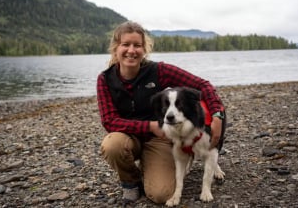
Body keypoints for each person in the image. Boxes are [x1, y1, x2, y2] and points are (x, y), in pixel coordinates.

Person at [96, 21, 226, 205]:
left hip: (158, 139)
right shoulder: (105, 79)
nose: (131, 50)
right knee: (112, 145)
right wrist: (149, 126)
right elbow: (109, 121)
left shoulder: (159, 71)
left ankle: (152, 167)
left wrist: (217, 114)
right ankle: (131, 181)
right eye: (126, 44)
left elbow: (202, 85)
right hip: (128, 137)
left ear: (144, 49)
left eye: (137, 45)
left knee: (161, 195)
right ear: (116, 48)